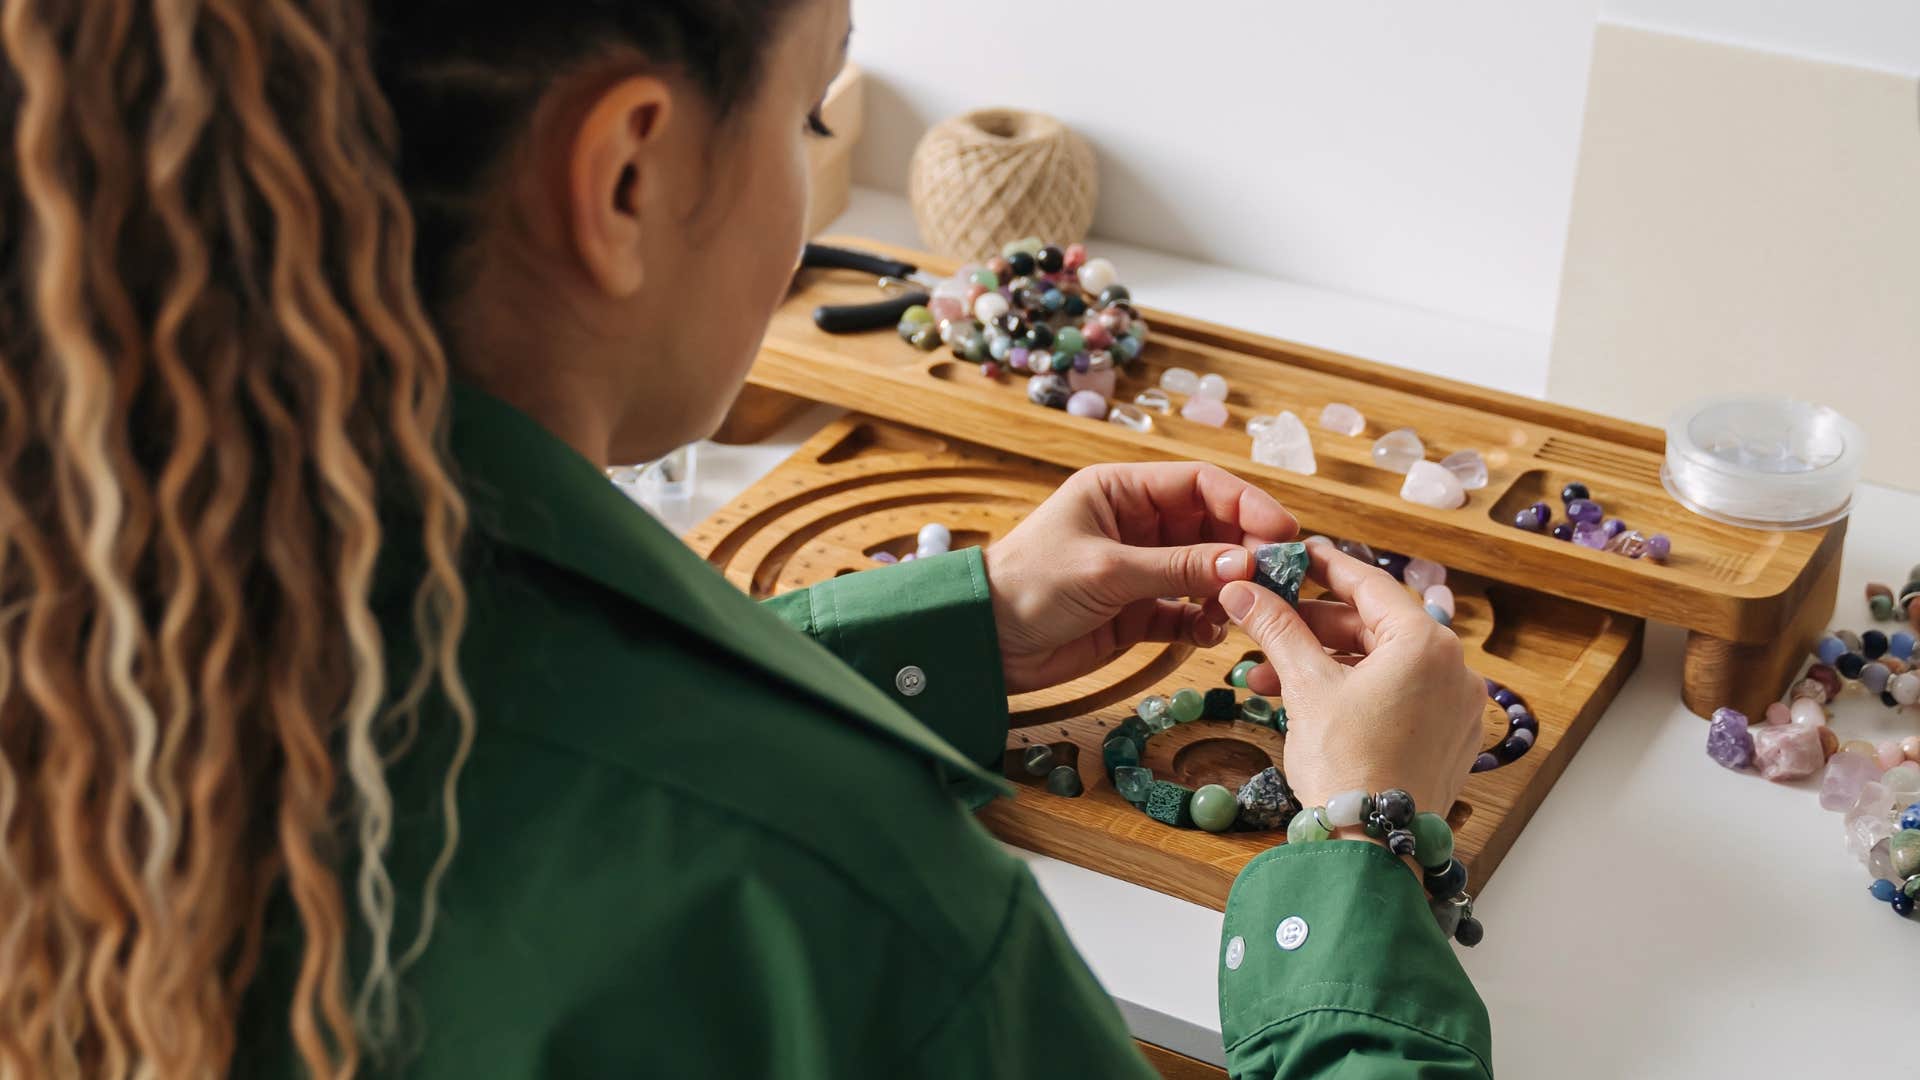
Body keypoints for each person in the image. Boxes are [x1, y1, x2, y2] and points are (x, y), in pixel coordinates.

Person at [0, 0, 1492, 1076]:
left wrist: (945, 628)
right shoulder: (847, 902)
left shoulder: (107, 601)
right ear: (628, 177)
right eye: (813, 110)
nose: (816, 161)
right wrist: (1367, 846)